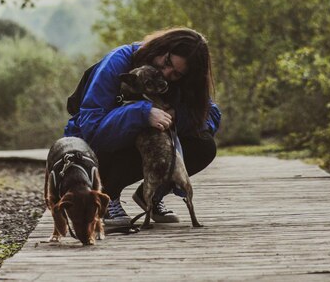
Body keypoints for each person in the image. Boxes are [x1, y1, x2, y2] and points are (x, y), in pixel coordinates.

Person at [64, 27, 221, 225]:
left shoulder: (184, 82)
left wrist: (177, 116)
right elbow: (91, 128)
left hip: (136, 140)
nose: (166, 73)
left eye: (176, 74)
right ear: (162, 47)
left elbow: (210, 115)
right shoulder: (118, 61)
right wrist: (142, 113)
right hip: (90, 148)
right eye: (166, 63)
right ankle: (105, 196)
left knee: (203, 146)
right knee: (142, 131)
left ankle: (152, 193)